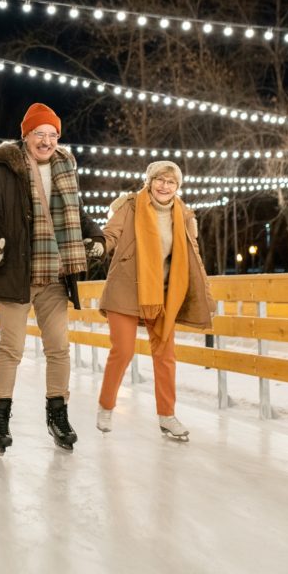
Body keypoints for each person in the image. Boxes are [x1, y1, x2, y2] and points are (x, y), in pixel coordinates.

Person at [0, 102, 104, 454]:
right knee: (11, 348)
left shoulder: (65, 169)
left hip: (56, 276)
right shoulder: (0, 170)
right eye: (39, 134)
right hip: (16, 275)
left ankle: (58, 415)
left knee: (58, 348)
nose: (46, 141)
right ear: (25, 135)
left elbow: (76, 214)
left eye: (52, 134)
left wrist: (98, 236)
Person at [95, 161, 215, 441]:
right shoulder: (130, 206)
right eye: (159, 179)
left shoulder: (184, 214)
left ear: (178, 186)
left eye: (171, 182)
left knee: (165, 356)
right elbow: (111, 233)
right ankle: (106, 405)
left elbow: (192, 255)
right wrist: (99, 244)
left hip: (163, 293)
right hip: (126, 288)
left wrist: (204, 291)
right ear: (149, 181)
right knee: (122, 351)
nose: (164, 186)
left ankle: (167, 416)